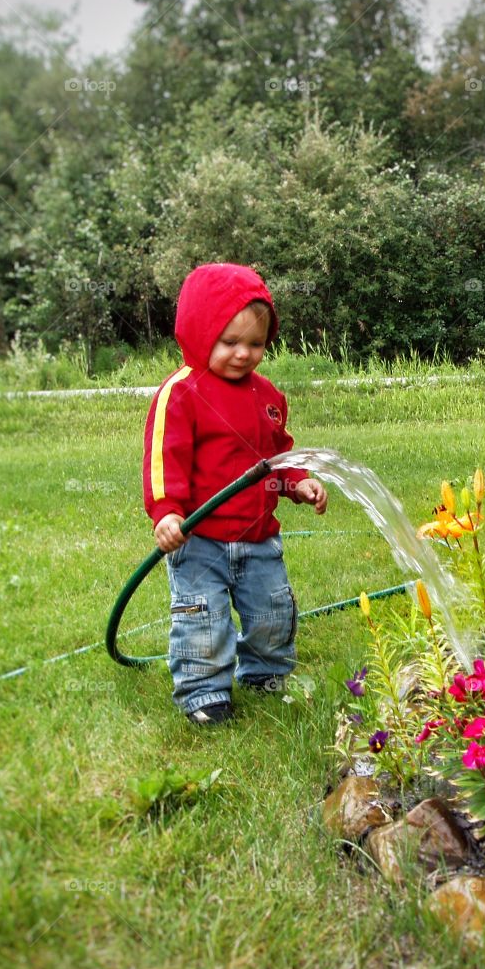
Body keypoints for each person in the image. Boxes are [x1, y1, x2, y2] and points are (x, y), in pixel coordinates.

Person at [143, 263, 328, 726]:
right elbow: (165, 457)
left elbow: (278, 454)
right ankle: (204, 694)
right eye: (229, 343)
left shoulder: (267, 396)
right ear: (199, 332)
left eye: (256, 344)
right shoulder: (181, 393)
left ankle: (265, 674)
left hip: (259, 537)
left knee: (272, 614)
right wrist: (166, 512)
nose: (243, 354)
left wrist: (298, 482)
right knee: (202, 620)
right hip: (199, 540)